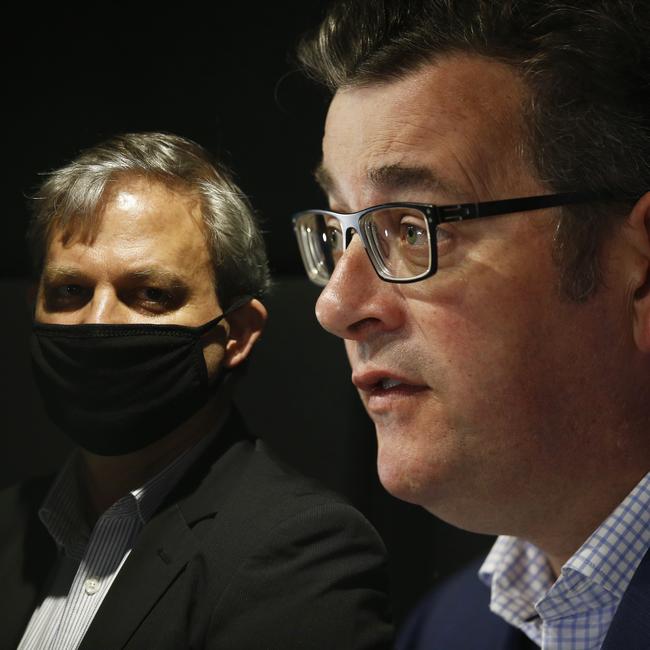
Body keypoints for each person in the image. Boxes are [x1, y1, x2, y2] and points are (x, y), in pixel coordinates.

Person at [292, 1, 650, 648]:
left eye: (412, 228)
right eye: (340, 227)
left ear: (642, 272)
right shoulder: (445, 630)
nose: (336, 307)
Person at [0, 132, 393, 649]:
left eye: (151, 294)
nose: (95, 322)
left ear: (237, 335)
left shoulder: (304, 551)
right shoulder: (11, 525)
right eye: (69, 291)